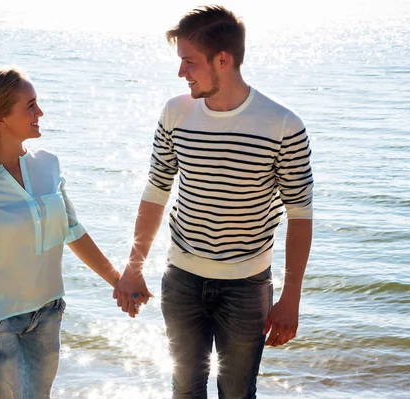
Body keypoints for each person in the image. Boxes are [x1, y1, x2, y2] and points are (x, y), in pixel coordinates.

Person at [114, 5, 314, 399]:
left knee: (238, 393)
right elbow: (156, 190)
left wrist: (291, 297)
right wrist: (133, 266)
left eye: (189, 62)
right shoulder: (176, 112)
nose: (181, 73)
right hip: (182, 279)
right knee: (184, 390)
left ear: (223, 59)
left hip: (247, 285)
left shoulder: (283, 125)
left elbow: (300, 214)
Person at [0, 67, 121, 399]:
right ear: (0, 117)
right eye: (30, 105)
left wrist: (119, 282)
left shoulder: (48, 164)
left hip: (49, 312)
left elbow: (72, 231)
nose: (40, 112)